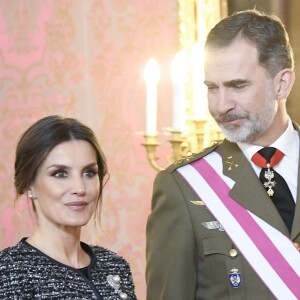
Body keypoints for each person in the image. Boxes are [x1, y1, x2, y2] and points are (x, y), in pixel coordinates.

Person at [146, 9, 300, 299]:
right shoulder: (184, 186)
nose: (220, 105)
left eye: (237, 85)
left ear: (282, 84)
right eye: (211, 88)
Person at [0, 115, 137, 299]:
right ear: (28, 185)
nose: (80, 188)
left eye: (89, 172)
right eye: (60, 173)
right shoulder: (10, 271)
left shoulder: (114, 265)